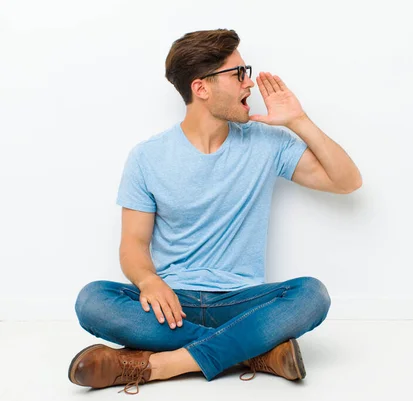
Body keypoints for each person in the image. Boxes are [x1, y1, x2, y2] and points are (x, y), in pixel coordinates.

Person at [68, 28, 362, 395]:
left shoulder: (267, 143)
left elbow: (346, 181)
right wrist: (149, 281)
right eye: (238, 73)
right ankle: (254, 353)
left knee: (312, 295)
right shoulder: (147, 157)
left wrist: (298, 120)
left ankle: (158, 365)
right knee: (92, 300)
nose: (250, 84)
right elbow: (133, 244)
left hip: (242, 302)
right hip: (171, 305)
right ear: (201, 88)